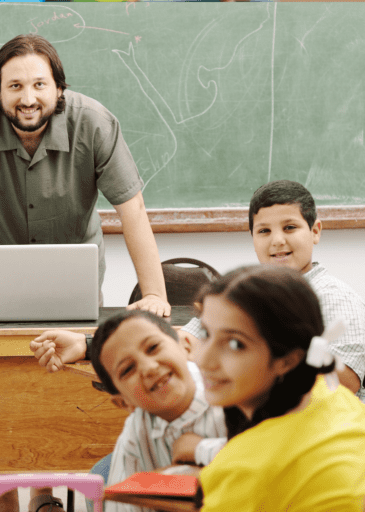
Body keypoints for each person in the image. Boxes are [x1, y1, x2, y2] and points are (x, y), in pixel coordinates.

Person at [0, 33, 170, 324]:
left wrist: (153, 294)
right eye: (15, 86)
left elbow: (133, 210)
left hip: (76, 285)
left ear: (59, 89)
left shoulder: (96, 124)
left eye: (40, 85)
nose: (28, 99)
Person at [195, 265, 365, 510]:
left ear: (287, 360)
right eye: (205, 333)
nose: (203, 359)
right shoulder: (330, 392)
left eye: (235, 344)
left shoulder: (244, 469)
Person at [179, 180, 365, 401]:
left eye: (289, 227)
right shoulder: (243, 295)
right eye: (264, 231)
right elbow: (186, 340)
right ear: (253, 237)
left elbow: (345, 382)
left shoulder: (336, 297)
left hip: (321, 426)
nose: (277, 240)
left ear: (315, 231)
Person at [76, 310, 227, 512]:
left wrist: (201, 449)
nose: (149, 367)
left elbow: (268, 462)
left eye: (153, 347)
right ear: (123, 402)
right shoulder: (135, 433)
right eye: (128, 369)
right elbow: (123, 506)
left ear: (186, 347)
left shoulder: (231, 395)